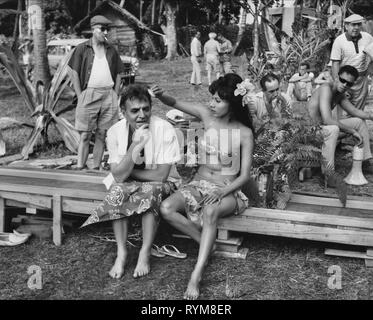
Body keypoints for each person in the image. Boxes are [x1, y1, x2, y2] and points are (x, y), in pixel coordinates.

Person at [151, 73, 255, 300]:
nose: (212, 103)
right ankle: (207, 243)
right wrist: (161, 95)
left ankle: (196, 275)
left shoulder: (245, 133)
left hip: (228, 188)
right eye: (213, 98)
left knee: (209, 211)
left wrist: (222, 191)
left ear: (233, 103)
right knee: (166, 208)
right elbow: (175, 103)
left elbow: (244, 175)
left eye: (218, 100)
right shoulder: (207, 116)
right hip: (199, 183)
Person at [81, 84, 181, 279]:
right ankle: (122, 252)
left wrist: (128, 173)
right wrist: (135, 145)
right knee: (117, 191)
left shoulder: (164, 128)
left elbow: (160, 176)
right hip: (131, 182)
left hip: (166, 183)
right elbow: (118, 176)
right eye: (134, 111)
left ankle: (144, 252)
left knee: (150, 191)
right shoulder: (115, 132)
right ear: (123, 112)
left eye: (146, 108)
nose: (141, 115)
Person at [68, 15, 125, 170]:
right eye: (102, 29)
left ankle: (95, 168)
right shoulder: (82, 48)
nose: (105, 32)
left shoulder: (111, 49)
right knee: (85, 135)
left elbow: (119, 73)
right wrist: (80, 96)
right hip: (89, 94)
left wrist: (115, 93)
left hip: (108, 94)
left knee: (101, 134)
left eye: (107, 29)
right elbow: (73, 72)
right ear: (93, 29)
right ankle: (80, 168)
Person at [308, 65, 373, 184]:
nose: (345, 85)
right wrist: (352, 131)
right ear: (337, 77)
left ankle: (364, 161)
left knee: (358, 122)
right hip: (311, 132)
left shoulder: (339, 94)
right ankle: (328, 174)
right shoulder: (326, 88)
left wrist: (371, 116)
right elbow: (327, 120)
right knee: (333, 129)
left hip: (324, 129)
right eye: (343, 80)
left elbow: (354, 111)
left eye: (349, 83)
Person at [330, 14, 373, 111]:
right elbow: (335, 63)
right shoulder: (339, 41)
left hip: (361, 80)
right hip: (345, 81)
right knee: (343, 109)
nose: (356, 28)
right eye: (353, 25)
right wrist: (338, 82)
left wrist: (370, 71)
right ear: (346, 26)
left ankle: (357, 125)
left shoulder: (368, 38)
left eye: (358, 24)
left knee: (358, 110)